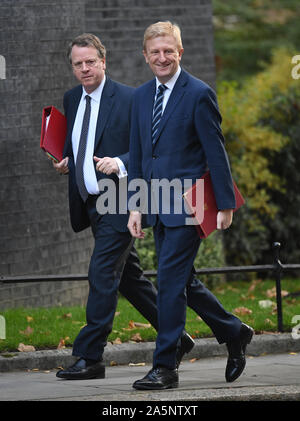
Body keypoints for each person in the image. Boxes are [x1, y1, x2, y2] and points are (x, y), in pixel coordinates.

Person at [51, 33, 194, 380]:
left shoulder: (132, 98)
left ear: (104, 61)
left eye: (90, 62)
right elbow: (85, 139)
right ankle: (177, 337)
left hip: (122, 199)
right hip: (91, 203)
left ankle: (90, 357)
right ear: (72, 67)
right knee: (129, 279)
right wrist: (71, 159)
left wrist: (120, 161)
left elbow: (151, 147)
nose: (85, 69)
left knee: (101, 272)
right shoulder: (72, 99)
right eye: (78, 64)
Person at [127, 21, 254, 390]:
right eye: (156, 52)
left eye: (169, 51)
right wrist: (135, 206)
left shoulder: (198, 93)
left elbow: (216, 151)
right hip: (155, 203)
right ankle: (233, 331)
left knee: (168, 281)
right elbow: (138, 155)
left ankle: (165, 366)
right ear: (146, 56)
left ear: (180, 52)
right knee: (183, 279)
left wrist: (225, 204)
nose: (162, 57)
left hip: (189, 203)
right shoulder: (140, 97)